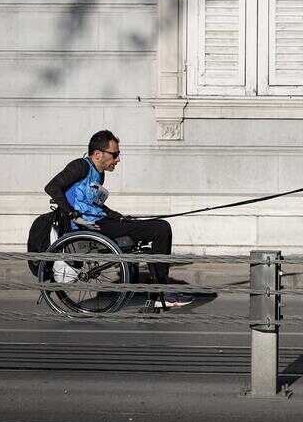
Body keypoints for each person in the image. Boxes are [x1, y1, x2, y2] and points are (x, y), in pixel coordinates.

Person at [44, 130, 193, 308]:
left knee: (158, 227)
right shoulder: (80, 166)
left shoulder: (99, 174)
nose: (118, 159)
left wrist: (119, 217)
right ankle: (160, 292)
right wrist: (72, 214)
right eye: (115, 154)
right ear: (98, 154)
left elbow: (96, 205)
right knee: (160, 228)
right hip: (89, 228)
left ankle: (158, 290)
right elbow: (52, 187)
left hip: (101, 222)